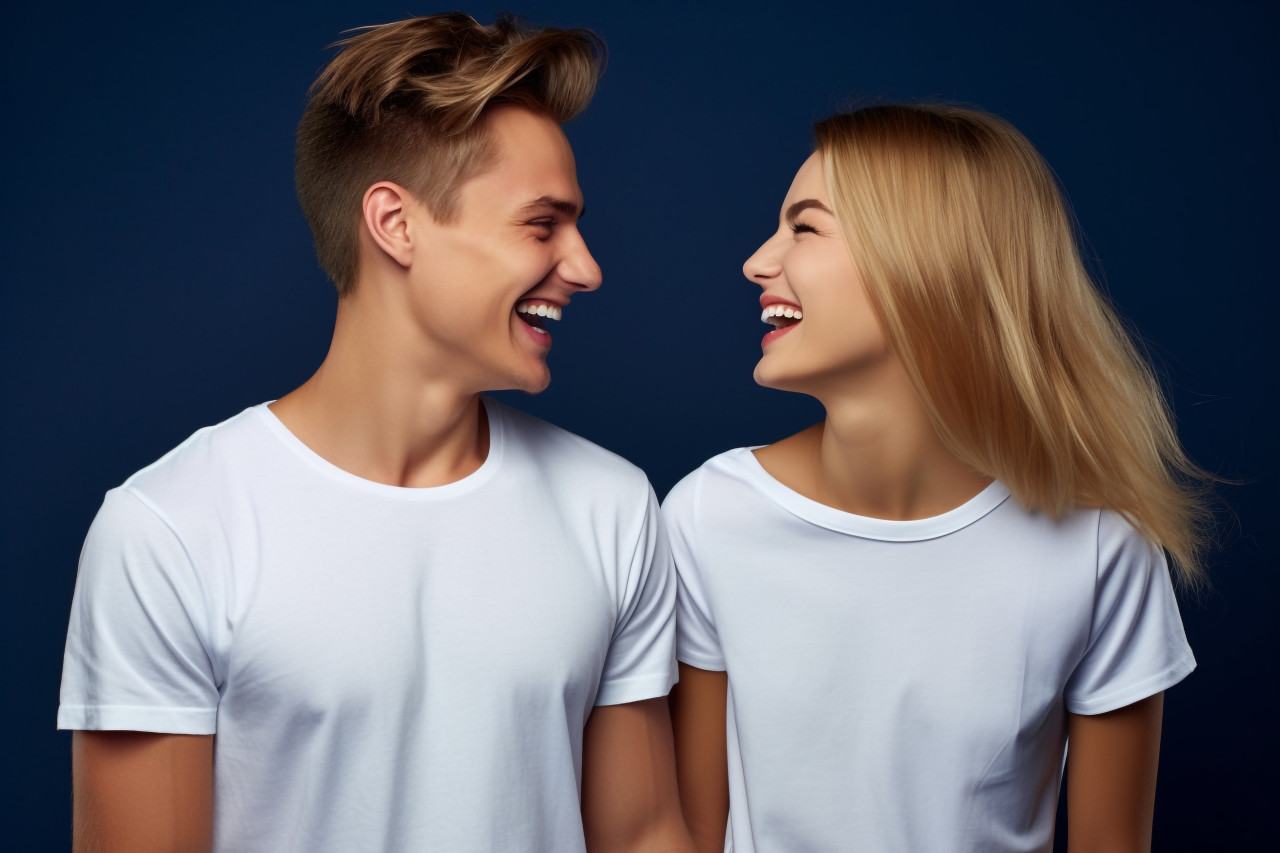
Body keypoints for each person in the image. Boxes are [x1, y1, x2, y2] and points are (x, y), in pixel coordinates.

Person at [58, 13, 692, 852]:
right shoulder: (171, 528)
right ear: (396, 224)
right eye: (542, 225)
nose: (585, 266)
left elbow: (645, 832)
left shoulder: (613, 507)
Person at [666, 104, 1208, 853]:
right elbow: (694, 830)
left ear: (923, 262)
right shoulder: (708, 516)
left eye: (805, 227)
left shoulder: (1101, 549)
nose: (759, 261)